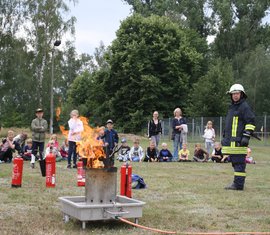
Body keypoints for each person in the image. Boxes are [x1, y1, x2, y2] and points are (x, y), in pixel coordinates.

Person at [222, 84, 255, 191]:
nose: (235, 96)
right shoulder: (232, 107)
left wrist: (246, 136)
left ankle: (238, 185)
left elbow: (250, 121)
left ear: (242, 94)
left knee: (239, 163)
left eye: (237, 93)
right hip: (232, 142)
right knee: (235, 163)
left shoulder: (244, 106)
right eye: (233, 94)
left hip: (239, 142)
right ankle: (237, 183)